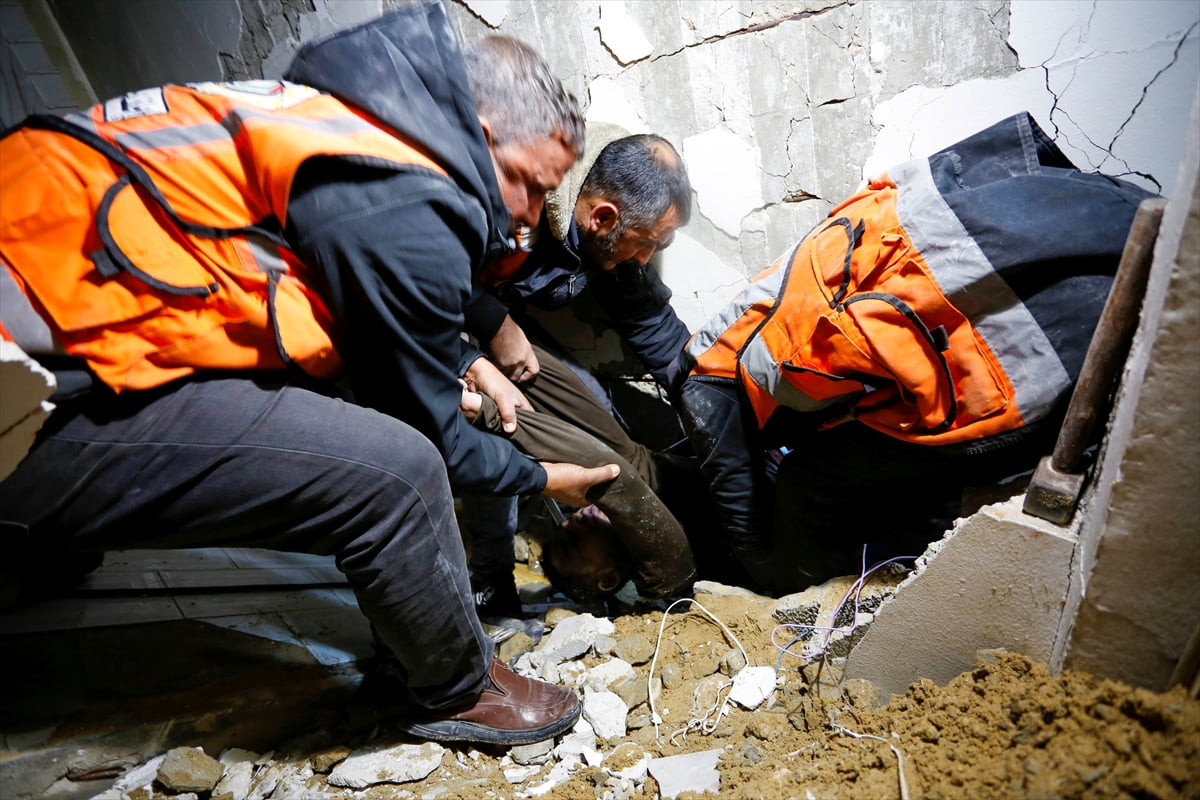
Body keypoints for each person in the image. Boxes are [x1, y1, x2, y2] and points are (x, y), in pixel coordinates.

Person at [0, 2, 616, 746]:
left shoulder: (359, 121)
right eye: (527, 184)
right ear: (484, 136)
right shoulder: (411, 202)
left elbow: (331, 279)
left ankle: (41, 548)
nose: (525, 216)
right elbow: (438, 442)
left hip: (51, 304)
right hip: (30, 391)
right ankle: (455, 688)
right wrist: (544, 478)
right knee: (396, 472)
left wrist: (463, 356)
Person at [541, 112, 1156, 601]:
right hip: (1054, 215)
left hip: (1027, 313)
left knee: (821, 485)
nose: (647, 260)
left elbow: (676, 356)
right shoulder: (754, 327)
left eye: (657, 246)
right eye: (645, 245)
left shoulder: (735, 372)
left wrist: (768, 574)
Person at [456, 126, 701, 616]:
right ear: (602, 218)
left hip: (499, 318)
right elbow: (416, 282)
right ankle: (490, 575)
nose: (647, 259)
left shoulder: (610, 221)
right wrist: (480, 346)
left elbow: (654, 326)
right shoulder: (509, 206)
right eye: (646, 243)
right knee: (499, 424)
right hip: (448, 317)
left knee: (588, 401)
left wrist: (709, 392)